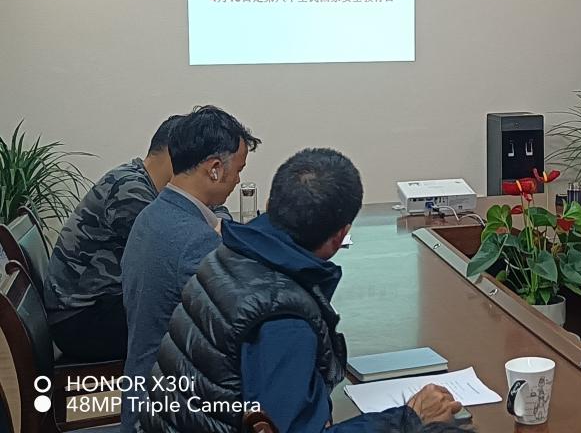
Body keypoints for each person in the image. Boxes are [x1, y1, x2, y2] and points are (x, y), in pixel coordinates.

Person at [138, 147, 461, 432]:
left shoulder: (233, 252)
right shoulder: (282, 317)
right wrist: (409, 420)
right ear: (340, 236)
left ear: (271, 204)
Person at [120, 105, 259, 432]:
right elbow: (240, 328)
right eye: (238, 170)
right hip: (173, 412)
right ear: (214, 169)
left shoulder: (152, 215)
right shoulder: (195, 241)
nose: (238, 181)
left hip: (141, 395)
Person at [42, 115, 183, 361]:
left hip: (90, 307)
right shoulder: (131, 191)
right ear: (175, 152)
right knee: (193, 324)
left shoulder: (136, 179)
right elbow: (171, 256)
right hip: (82, 320)